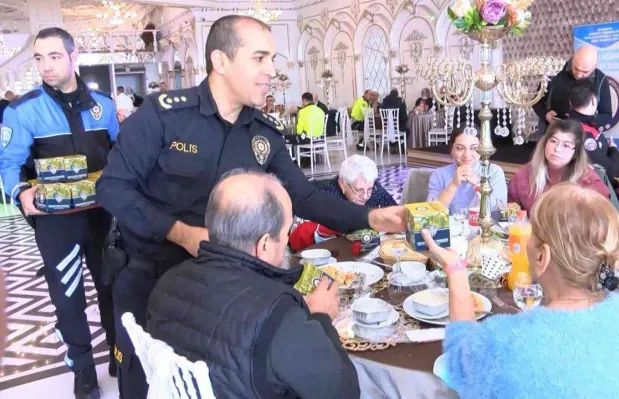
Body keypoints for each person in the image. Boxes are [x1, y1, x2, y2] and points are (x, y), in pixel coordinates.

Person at [96, 15, 404, 399]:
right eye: (260, 58)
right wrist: (180, 232)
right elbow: (112, 189)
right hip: (152, 273)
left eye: (272, 59)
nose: (271, 71)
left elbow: (303, 196)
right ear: (221, 61)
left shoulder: (262, 131)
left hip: (226, 288)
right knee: (148, 381)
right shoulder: (165, 115)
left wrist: (371, 216)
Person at [423, 183, 619, 398]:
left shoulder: (503, 342)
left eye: (532, 234)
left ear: (542, 256)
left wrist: (456, 270)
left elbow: (458, 357)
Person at [147, 170, 360, 398]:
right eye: (286, 231)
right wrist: (321, 317)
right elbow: (343, 393)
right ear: (265, 245)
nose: (287, 240)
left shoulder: (166, 284)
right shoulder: (279, 315)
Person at [0, 27, 119, 398]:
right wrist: (21, 191)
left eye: (54, 56)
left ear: (73, 56)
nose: (46, 66)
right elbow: (9, 162)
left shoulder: (105, 105)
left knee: (111, 287)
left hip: (103, 216)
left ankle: (119, 354)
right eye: (39, 58)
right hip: (55, 223)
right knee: (67, 297)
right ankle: (83, 368)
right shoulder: (23, 111)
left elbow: (119, 155)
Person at [289, 155, 396, 251]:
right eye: (359, 190)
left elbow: (394, 213)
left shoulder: (375, 190)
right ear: (342, 183)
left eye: (369, 189)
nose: (365, 196)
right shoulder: (324, 195)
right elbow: (298, 238)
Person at [508, 119, 609, 211]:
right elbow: (510, 214)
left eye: (566, 145)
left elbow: (604, 216)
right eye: (553, 141)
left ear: (575, 153)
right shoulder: (524, 176)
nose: (557, 149)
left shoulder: (588, 180)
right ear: (544, 143)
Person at [533, 46, 612, 135]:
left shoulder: (601, 80)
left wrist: (584, 119)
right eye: (576, 68)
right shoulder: (553, 71)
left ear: (594, 67)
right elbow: (536, 101)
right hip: (551, 133)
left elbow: (607, 116)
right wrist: (545, 115)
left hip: (583, 139)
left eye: (585, 72)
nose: (578, 75)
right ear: (572, 58)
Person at [428, 128, 507, 212]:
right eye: (460, 148)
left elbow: (499, 209)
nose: (467, 155)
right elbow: (431, 211)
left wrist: (478, 185)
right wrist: (453, 184)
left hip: (484, 225)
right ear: (451, 150)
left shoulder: (494, 172)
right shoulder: (439, 174)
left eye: (473, 148)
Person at [568, 79, 619, 179]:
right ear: (593, 100)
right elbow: (609, 171)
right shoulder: (584, 133)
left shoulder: (566, 125)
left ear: (570, 102)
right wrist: (613, 149)